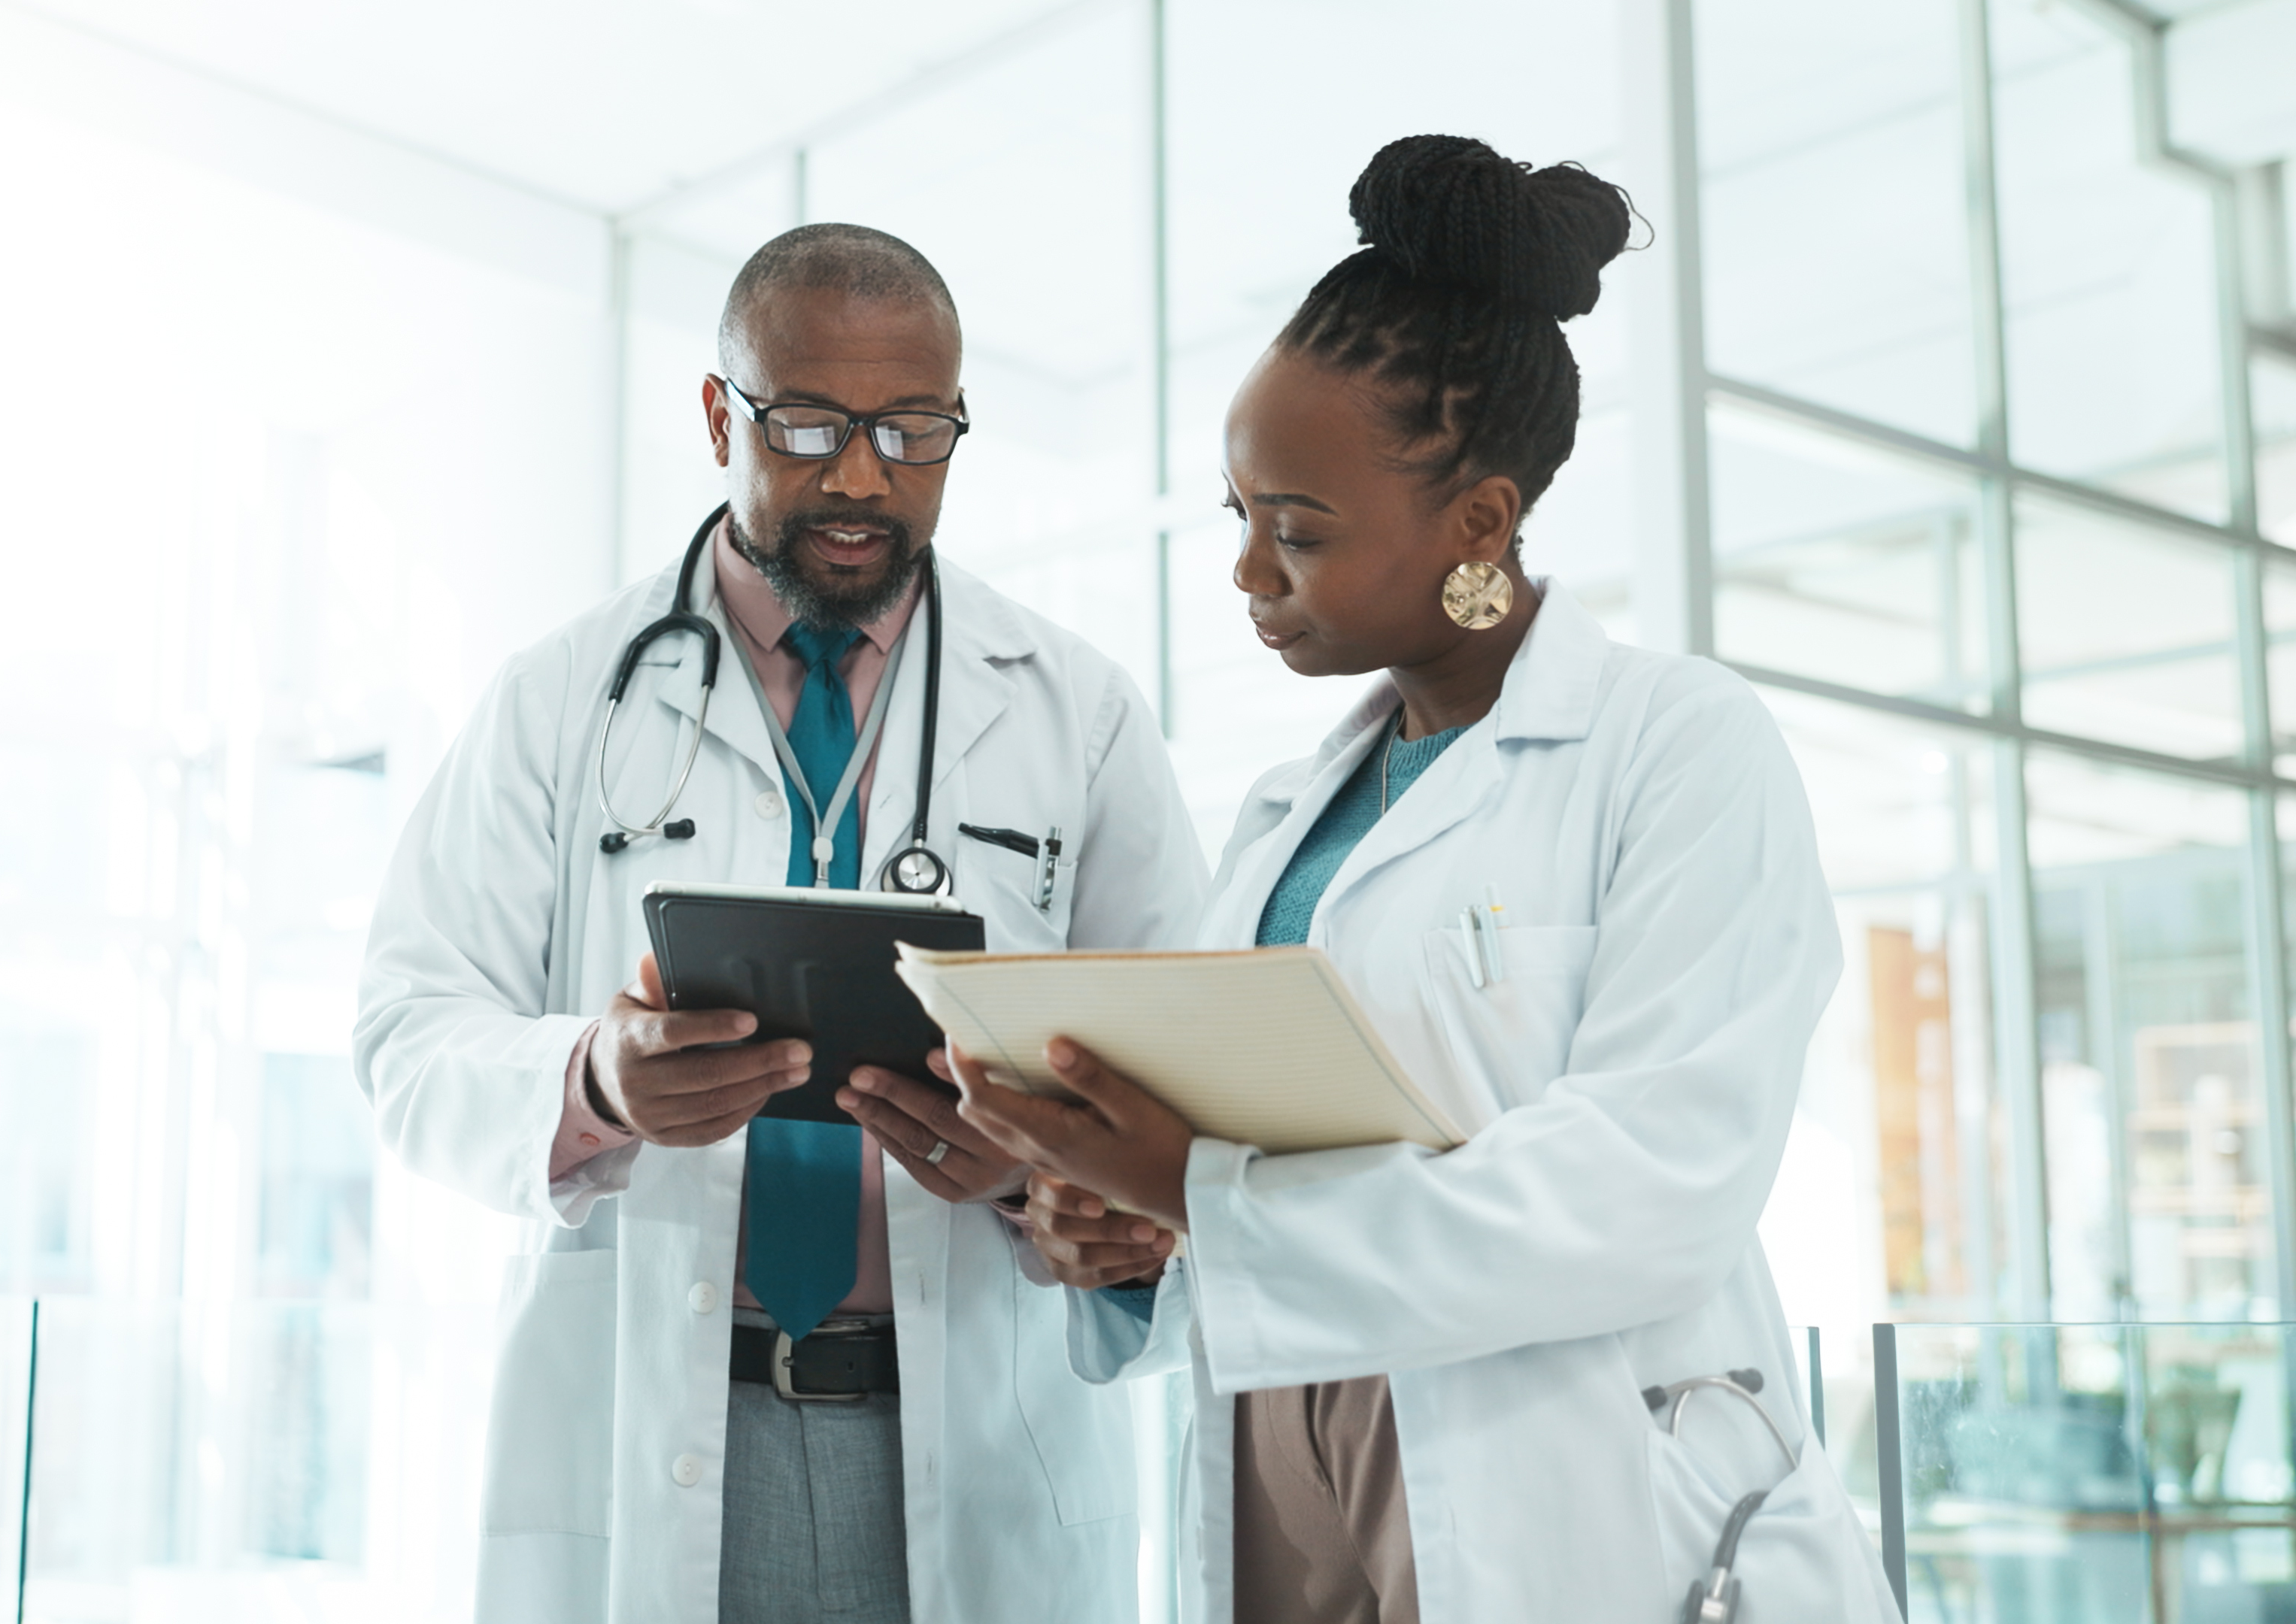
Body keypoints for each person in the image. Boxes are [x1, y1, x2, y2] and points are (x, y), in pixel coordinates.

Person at [948, 137, 1903, 1622]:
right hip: (1289, 1452)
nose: (1251, 574)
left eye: (1301, 528)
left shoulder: (1677, 744)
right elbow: (1234, 1176)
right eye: (1240, 516)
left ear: (1478, 526)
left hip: (1569, 1479)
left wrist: (1201, 1201)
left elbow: (1651, 1180)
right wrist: (1124, 1235)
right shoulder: (1282, 817)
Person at [353, 223, 1206, 1624]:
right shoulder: (562, 697)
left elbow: (1182, 1088)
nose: (863, 475)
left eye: (914, 429)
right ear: (718, 416)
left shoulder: (1077, 711)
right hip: (661, 1433)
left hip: (976, 1444)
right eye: (807, 424)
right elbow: (406, 1031)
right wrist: (592, 1082)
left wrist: (1031, 1170)